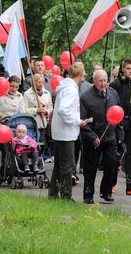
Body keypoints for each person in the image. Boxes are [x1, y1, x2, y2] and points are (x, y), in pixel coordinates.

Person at [80, 69, 123, 204]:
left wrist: (120, 134)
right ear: (94, 81)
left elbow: (118, 114)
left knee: (112, 163)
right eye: (100, 80)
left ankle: (106, 191)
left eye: (105, 80)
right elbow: (82, 120)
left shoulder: (113, 93)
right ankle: (88, 193)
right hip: (93, 137)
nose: (103, 83)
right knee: (90, 167)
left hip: (110, 136)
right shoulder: (86, 97)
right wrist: (93, 137)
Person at [48, 62, 88, 201]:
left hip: (61, 131)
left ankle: (53, 193)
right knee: (67, 165)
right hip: (66, 132)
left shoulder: (65, 87)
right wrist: (77, 121)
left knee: (59, 164)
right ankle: (66, 195)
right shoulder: (70, 90)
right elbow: (63, 110)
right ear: (81, 74)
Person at [109, 59, 131, 196]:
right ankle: (110, 184)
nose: (130, 71)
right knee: (115, 154)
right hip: (118, 122)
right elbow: (110, 104)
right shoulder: (116, 84)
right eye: (128, 68)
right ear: (123, 69)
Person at [23, 74, 53, 165]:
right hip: (32, 123)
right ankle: (33, 161)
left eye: (42, 82)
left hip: (43, 123)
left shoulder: (47, 93)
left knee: (42, 144)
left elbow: (50, 107)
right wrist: (36, 110)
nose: (40, 84)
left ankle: (39, 159)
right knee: (33, 144)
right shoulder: (27, 94)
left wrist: (46, 111)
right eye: (38, 82)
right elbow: (24, 109)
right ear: (34, 82)